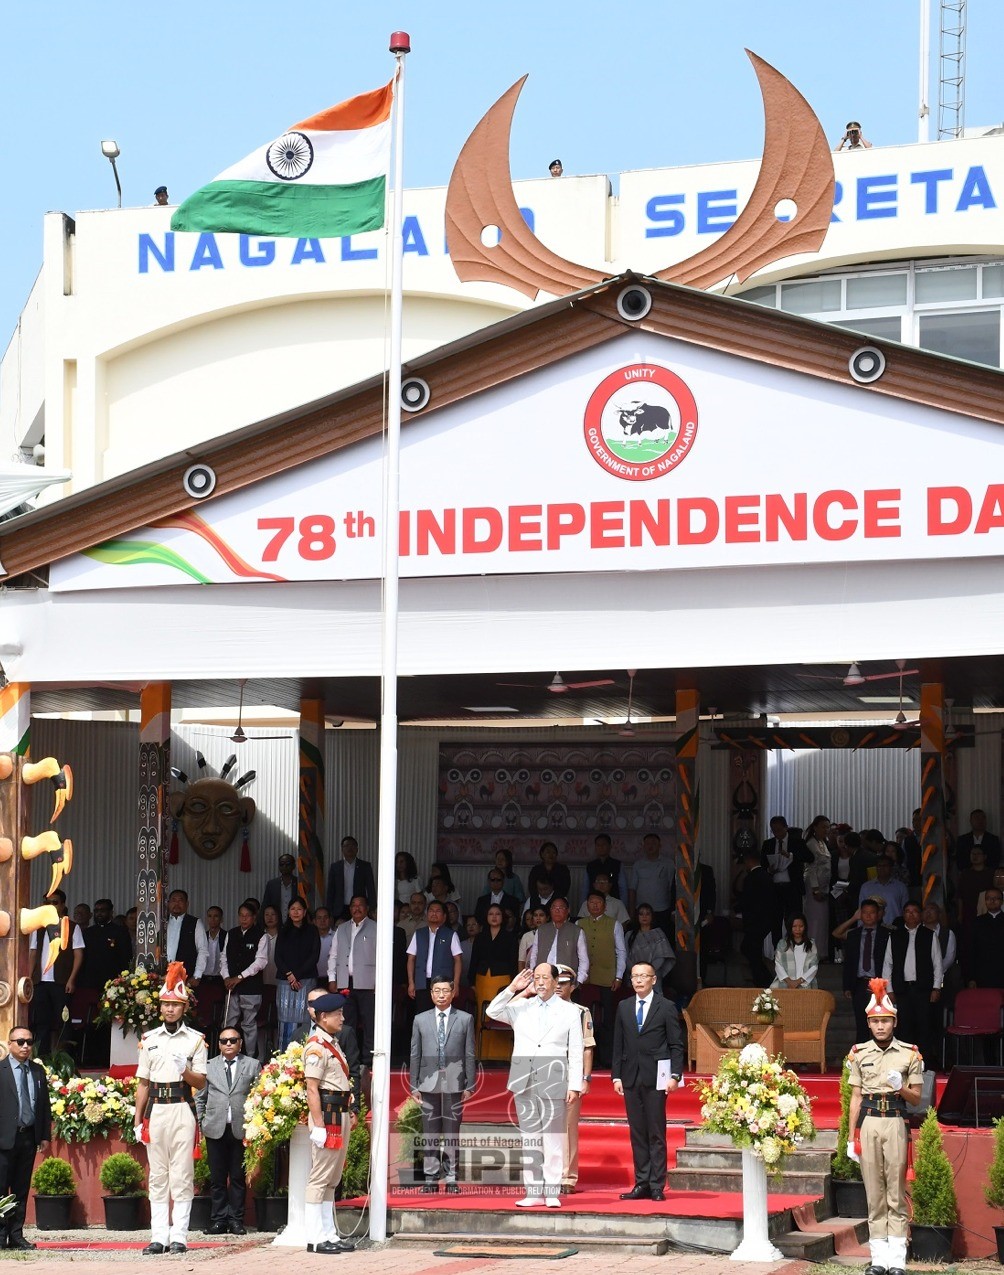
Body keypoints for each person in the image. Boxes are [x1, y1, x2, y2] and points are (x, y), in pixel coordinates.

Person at [487, 965, 583, 1207]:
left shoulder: (570, 1011)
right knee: (530, 1138)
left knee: (552, 1137)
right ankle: (532, 1191)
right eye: (536, 978)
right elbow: (492, 1010)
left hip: (554, 1077)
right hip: (524, 1077)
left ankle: (551, 1191)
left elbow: (576, 1050)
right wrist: (513, 988)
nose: (540, 982)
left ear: (555, 981)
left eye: (545, 978)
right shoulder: (521, 1007)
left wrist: (574, 1084)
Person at [846, 978, 924, 1275]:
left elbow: (916, 1099)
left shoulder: (909, 1054)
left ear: (894, 1022)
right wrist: (850, 1136)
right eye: (875, 1021)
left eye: (885, 1021)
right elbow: (855, 1097)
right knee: (874, 1192)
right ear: (869, 1024)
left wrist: (900, 1086)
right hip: (869, 1123)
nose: (880, 1026)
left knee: (895, 1190)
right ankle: (879, 1258)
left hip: (894, 1122)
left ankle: (897, 1260)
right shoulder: (858, 1053)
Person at [134, 962, 208, 1255]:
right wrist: (137, 1119)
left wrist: (185, 1070)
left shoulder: (195, 1040)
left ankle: (179, 1236)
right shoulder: (149, 1039)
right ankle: (158, 1236)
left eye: (174, 1005)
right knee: (157, 1175)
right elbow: (142, 1083)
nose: (169, 1010)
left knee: (182, 1173)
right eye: (165, 1005)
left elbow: (200, 1083)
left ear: (184, 1007)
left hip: (181, 1106)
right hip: (157, 1108)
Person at [611, 962, 685, 1202]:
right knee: (637, 1132)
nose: (638, 980)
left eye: (643, 976)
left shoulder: (666, 1007)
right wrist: (616, 1075)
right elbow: (618, 1044)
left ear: (654, 979)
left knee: (655, 1131)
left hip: (657, 1077)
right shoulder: (623, 1006)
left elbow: (676, 1044)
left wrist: (675, 1075)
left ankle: (656, 1185)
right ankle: (641, 1182)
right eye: (634, 976)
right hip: (631, 1076)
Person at [409, 976, 475, 1193]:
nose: (441, 995)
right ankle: (430, 1179)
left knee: (452, 1134)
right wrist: (414, 1085)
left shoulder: (464, 1019)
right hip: (427, 1084)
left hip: (454, 1084)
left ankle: (451, 1178)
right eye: (437, 991)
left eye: (445, 990)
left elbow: (469, 1053)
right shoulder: (420, 1019)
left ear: (453, 992)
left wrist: (470, 1084)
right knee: (430, 1133)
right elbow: (415, 1053)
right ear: (431, 993)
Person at [303, 994, 356, 1255]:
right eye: (338, 1014)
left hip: (340, 1111)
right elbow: (312, 1088)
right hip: (328, 1114)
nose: (342, 1018)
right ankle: (314, 1236)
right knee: (320, 1177)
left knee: (332, 1178)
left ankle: (328, 1234)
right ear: (324, 1017)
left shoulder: (331, 1043)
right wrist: (319, 1125)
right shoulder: (316, 1046)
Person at [194, 1026, 260, 1235]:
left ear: (240, 1042)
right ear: (219, 1044)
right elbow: (200, 1097)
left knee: (238, 1178)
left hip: (242, 1129)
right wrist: (201, 1122)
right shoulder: (209, 1066)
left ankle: (236, 1220)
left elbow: (259, 1095)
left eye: (233, 1040)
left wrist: (256, 1125)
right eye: (224, 1041)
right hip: (215, 1128)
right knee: (217, 1178)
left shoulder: (252, 1064)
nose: (229, 1044)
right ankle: (218, 1220)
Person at [0, 1028, 51, 1250]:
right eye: (20, 1041)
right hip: (3, 1139)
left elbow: (44, 1106)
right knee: (1, 1190)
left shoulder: (38, 1071)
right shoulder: (0, 1071)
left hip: (28, 1137)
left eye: (29, 1042)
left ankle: (16, 1234)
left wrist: (45, 1135)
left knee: (21, 1190)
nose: (25, 1046)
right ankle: (0, 1235)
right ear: (10, 1043)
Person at [882, 901, 942, 1068]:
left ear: (920, 915)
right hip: (902, 989)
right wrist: (889, 989)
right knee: (904, 1027)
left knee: (924, 1026)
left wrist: (936, 987)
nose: (911, 914)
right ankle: (904, 1065)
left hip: (923, 989)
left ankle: (925, 1064)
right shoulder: (895, 936)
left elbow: (937, 963)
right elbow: (888, 964)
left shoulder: (929, 935)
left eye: (915, 911)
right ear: (903, 914)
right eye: (907, 911)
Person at [28, 888, 85, 1056]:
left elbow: (79, 954)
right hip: (40, 982)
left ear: (62, 905)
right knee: (40, 1022)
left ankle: (64, 1059)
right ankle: (42, 1059)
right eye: (47, 903)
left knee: (63, 1021)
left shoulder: (72, 927)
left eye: (55, 902)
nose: (51, 906)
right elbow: (32, 953)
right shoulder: (37, 928)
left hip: (61, 982)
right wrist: (29, 978)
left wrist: (72, 979)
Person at [555, 964, 595, 1195]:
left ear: (572, 986)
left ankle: (567, 1177)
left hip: (570, 1073)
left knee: (568, 1128)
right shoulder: (541, 1009)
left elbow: (587, 1047)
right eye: (556, 982)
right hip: (546, 1074)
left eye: (563, 983)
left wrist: (585, 1078)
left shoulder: (580, 1012)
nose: (559, 987)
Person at [577, 891, 625, 1067]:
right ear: (586, 905)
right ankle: (584, 1060)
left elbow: (621, 951)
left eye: (598, 902)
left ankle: (607, 1059)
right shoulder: (579, 924)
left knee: (607, 1020)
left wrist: (619, 976)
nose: (595, 905)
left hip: (607, 978)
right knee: (584, 1021)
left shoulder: (615, 924)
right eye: (591, 902)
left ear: (604, 905)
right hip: (585, 979)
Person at [328, 895, 376, 1066]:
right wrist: (332, 978)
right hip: (344, 982)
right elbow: (333, 955)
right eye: (353, 906)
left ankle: (369, 1061)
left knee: (370, 1024)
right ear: (349, 909)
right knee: (346, 1024)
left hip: (368, 984)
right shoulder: (341, 929)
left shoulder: (376, 928)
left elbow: (382, 957)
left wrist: (379, 983)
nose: (357, 908)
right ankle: (349, 1059)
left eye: (360, 905)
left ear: (367, 908)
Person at [468, 904, 520, 1062]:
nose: (494, 916)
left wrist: (513, 982)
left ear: (503, 917)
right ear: (486, 917)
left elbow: (513, 961)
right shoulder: (480, 937)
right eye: (491, 913)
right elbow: (474, 960)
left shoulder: (510, 937)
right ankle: (481, 1054)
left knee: (500, 1015)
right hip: (482, 979)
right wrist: (471, 981)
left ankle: (502, 1055)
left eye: (498, 913)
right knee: (481, 1016)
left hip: (503, 980)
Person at [221, 900, 267, 1059]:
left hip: (251, 987)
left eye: (247, 916)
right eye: (241, 915)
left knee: (249, 1024)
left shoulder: (261, 935)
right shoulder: (231, 933)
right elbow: (223, 958)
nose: (244, 919)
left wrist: (239, 977)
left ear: (254, 917)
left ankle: (251, 1057)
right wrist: (226, 976)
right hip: (231, 987)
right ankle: (227, 1056)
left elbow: (260, 962)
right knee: (229, 1022)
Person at [842, 900, 892, 1043]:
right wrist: (847, 986)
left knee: (881, 1023)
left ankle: (882, 1056)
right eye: (865, 913)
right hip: (859, 983)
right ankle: (862, 1058)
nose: (868, 916)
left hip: (881, 983)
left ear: (878, 915)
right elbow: (849, 962)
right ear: (860, 915)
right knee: (861, 1023)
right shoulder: (854, 935)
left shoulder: (887, 934)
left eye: (872, 913)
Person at [274, 899, 320, 1049]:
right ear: (288, 911)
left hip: (305, 980)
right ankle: (284, 1053)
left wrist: (297, 975)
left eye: (299, 909)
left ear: (305, 912)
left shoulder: (312, 930)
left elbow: (314, 956)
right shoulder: (283, 930)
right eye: (292, 909)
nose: (295, 912)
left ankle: (305, 1052)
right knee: (285, 1019)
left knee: (306, 1016)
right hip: (285, 980)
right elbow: (277, 957)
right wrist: (289, 975)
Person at [761, 816, 811, 943]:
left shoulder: (797, 842)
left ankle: (794, 947)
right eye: (773, 830)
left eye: (779, 830)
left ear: (786, 828)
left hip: (792, 887)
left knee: (793, 921)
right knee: (775, 921)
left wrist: (791, 856)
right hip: (774, 888)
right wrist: (768, 870)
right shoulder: (768, 844)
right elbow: (762, 864)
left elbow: (810, 857)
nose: (776, 833)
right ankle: (777, 951)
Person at [406, 901, 463, 1013]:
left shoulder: (451, 934)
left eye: (438, 911)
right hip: (422, 982)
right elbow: (411, 959)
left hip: (443, 984)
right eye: (431, 911)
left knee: (441, 1014)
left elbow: (458, 960)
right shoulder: (419, 934)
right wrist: (411, 982)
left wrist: (455, 984)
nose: (434, 913)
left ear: (444, 916)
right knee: (423, 1015)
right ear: (427, 914)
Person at [528, 897, 589, 986]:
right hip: (543, 978)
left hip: (567, 980)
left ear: (568, 910)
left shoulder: (577, 931)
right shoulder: (541, 930)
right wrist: (533, 976)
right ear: (550, 910)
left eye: (561, 908)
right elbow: (534, 955)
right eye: (554, 908)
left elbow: (583, 959)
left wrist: (579, 981)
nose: (557, 911)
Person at [735, 849, 774, 987]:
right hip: (765, 920)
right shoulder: (767, 876)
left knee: (750, 949)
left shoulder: (751, 878)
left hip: (753, 921)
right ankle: (764, 978)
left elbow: (745, 899)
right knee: (751, 950)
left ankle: (763, 979)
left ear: (748, 861)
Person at [627, 834, 674, 937]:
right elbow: (632, 889)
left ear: (660, 845)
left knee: (663, 939)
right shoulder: (638, 864)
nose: (650, 846)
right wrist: (631, 912)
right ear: (643, 846)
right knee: (642, 938)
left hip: (662, 910)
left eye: (654, 843)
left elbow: (672, 887)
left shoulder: (668, 863)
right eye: (647, 843)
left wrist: (673, 911)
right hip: (642, 910)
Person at [81, 897, 132, 991]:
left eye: (102, 910)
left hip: (112, 979)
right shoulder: (88, 932)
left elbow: (125, 956)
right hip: (90, 980)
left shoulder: (120, 931)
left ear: (111, 912)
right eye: (96, 911)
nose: (99, 913)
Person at [325, 835, 375, 923]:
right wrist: (329, 911)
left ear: (357, 849)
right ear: (342, 849)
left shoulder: (365, 866)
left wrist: (372, 908)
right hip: (340, 909)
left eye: (352, 846)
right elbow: (331, 891)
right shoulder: (335, 867)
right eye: (346, 846)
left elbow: (371, 889)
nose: (349, 848)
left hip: (359, 907)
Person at [165, 889, 208, 987]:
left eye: (180, 900)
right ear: (168, 903)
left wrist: (197, 975)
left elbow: (203, 950)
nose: (177, 903)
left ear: (187, 904)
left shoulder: (195, 923)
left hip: (185, 977)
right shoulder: (161, 922)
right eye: (173, 900)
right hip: (163, 975)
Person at [802, 815, 833, 954]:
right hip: (814, 887)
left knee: (822, 921)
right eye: (823, 827)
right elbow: (810, 869)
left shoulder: (823, 843)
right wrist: (815, 889)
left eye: (828, 827)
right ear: (815, 827)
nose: (826, 830)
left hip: (824, 887)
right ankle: (812, 950)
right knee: (814, 919)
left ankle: (821, 950)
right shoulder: (811, 844)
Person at [626, 904, 676, 983]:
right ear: (637, 916)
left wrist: (648, 972)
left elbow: (661, 956)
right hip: (634, 976)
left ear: (652, 917)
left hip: (653, 976)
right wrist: (636, 972)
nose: (644, 916)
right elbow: (625, 956)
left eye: (647, 914)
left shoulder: (659, 934)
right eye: (641, 914)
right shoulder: (629, 935)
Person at [772, 913, 819, 989]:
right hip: (785, 983)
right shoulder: (782, 944)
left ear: (805, 927)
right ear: (790, 927)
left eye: (801, 926)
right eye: (794, 926)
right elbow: (778, 964)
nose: (798, 929)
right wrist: (789, 982)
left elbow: (814, 966)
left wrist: (798, 981)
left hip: (805, 983)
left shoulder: (811, 944)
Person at [970, 887, 1004, 989]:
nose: (992, 901)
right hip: (982, 975)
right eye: (989, 898)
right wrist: (971, 978)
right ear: (985, 901)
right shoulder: (976, 922)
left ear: (1002, 901)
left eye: (996, 898)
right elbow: (971, 950)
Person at [859, 856, 908, 924]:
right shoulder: (866, 887)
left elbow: (906, 910)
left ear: (891, 868)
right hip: (872, 929)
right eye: (879, 866)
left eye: (885, 866)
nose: (882, 868)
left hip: (895, 928)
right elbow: (861, 911)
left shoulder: (900, 887)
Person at [955, 808, 1002, 873]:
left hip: (988, 876)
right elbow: (960, 861)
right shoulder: (962, 840)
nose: (980, 821)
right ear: (971, 821)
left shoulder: (993, 840)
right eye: (977, 818)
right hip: (968, 875)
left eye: (983, 818)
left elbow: (996, 860)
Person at [261, 853, 306, 919]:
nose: (284, 867)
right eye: (282, 864)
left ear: (293, 866)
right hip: (276, 923)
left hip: (295, 922)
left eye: (288, 864)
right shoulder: (272, 884)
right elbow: (265, 905)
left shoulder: (299, 883)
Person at [585, 832, 622, 898]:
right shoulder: (590, 866)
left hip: (613, 900)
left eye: (603, 844)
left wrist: (623, 904)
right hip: (594, 900)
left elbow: (622, 887)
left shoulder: (617, 864)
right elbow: (585, 888)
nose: (600, 847)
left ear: (610, 846)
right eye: (598, 845)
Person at [518, 906, 548, 970]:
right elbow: (521, 961)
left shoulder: (552, 934)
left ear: (547, 917)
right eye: (535, 915)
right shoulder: (526, 936)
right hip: (530, 974)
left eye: (541, 915)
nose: (538, 918)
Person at [314, 907, 335, 984]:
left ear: (330, 919)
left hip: (332, 980)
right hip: (313, 979)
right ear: (314, 921)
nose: (322, 921)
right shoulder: (310, 938)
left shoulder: (337, 937)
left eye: (325, 917)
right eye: (319, 918)